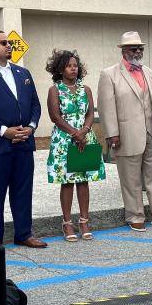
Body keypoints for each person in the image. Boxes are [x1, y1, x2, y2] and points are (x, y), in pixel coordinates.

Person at [0, 30, 47, 248]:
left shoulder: (22, 72)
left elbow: (35, 104)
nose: (9, 46)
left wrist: (31, 127)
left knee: (23, 191)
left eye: (10, 42)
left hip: (24, 142)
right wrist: (4, 131)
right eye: (3, 42)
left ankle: (24, 234)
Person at [97, 31, 152, 232]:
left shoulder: (149, 72)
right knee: (130, 179)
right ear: (124, 51)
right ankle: (135, 216)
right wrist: (111, 133)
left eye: (140, 48)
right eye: (134, 48)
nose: (138, 51)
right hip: (126, 134)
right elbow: (106, 106)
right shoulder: (109, 74)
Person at [45, 49, 105, 242]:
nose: (73, 69)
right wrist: (74, 133)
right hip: (65, 140)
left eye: (75, 65)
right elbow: (55, 116)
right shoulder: (54, 90)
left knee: (83, 180)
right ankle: (67, 223)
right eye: (69, 66)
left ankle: (84, 221)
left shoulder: (85, 89)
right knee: (68, 181)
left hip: (85, 138)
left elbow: (90, 113)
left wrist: (84, 131)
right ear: (60, 69)